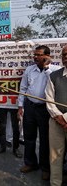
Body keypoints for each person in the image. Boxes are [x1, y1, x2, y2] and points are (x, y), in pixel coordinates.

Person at [17, 45, 61, 180]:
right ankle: (30, 163)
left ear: (47, 56)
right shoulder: (30, 70)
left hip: (45, 109)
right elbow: (23, 88)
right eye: (34, 55)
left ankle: (45, 168)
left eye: (39, 55)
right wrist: (20, 106)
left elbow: (55, 85)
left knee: (45, 139)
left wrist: (46, 69)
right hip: (30, 107)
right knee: (29, 137)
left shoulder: (55, 70)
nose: (35, 57)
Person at [45, 46, 67, 186]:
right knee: (55, 155)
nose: (65, 56)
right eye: (64, 54)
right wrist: (59, 117)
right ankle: (55, 183)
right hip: (56, 122)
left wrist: (66, 118)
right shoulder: (54, 76)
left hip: (63, 120)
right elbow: (49, 98)